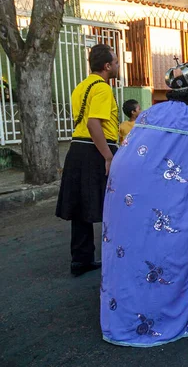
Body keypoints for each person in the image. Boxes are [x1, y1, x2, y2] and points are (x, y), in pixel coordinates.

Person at [101, 62, 188, 346]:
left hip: (122, 185)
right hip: (158, 192)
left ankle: (123, 310)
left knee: (131, 248)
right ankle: (158, 312)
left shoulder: (150, 112)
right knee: (165, 245)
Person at [56, 44, 119, 277]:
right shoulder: (102, 89)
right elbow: (94, 123)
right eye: (116, 62)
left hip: (77, 148)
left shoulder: (80, 87)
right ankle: (119, 255)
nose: (118, 66)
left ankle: (81, 259)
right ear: (107, 66)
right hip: (97, 149)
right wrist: (108, 156)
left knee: (81, 206)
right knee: (113, 204)